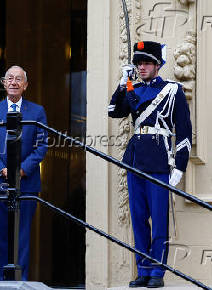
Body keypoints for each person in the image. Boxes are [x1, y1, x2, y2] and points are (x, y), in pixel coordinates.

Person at [108, 41, 192, 288]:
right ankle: (143, 269)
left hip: (159, 158)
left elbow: (184, 130)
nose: (141, 67)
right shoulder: (132, 88)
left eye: (146, 63)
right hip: (136, 159)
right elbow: (113, 110)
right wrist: (122, 83)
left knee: (158, 218)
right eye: (138, 63)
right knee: (139, 218)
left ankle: (157, 271)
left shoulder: (172, 90)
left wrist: (180, 165)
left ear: (158, 65)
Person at [0, 65, 48, 281]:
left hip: (26, 182)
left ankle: (21, 281)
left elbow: (41, 146)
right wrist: (2, 169)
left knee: (23, 234)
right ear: (4, 83)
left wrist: (20, 170)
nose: (14, 82)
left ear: (25, 85)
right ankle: (0, 283)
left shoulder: (37, 111)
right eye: (10, 78)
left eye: (19, 79)